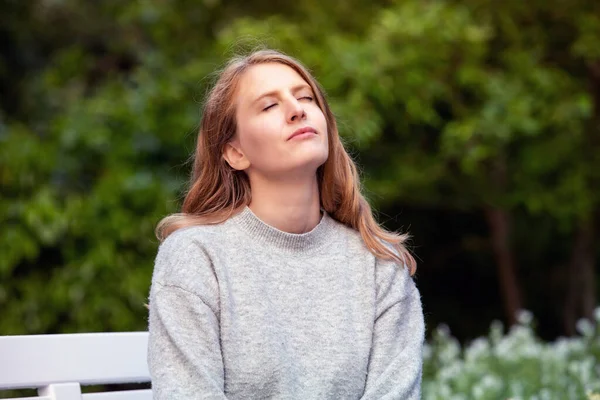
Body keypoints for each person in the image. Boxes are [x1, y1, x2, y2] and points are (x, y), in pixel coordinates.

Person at [147, 48, 425, 399]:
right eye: (269, 105)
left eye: (306, 97)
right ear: (235, 152)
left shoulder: (379, 266)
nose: (297, 110)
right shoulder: (196, 258)